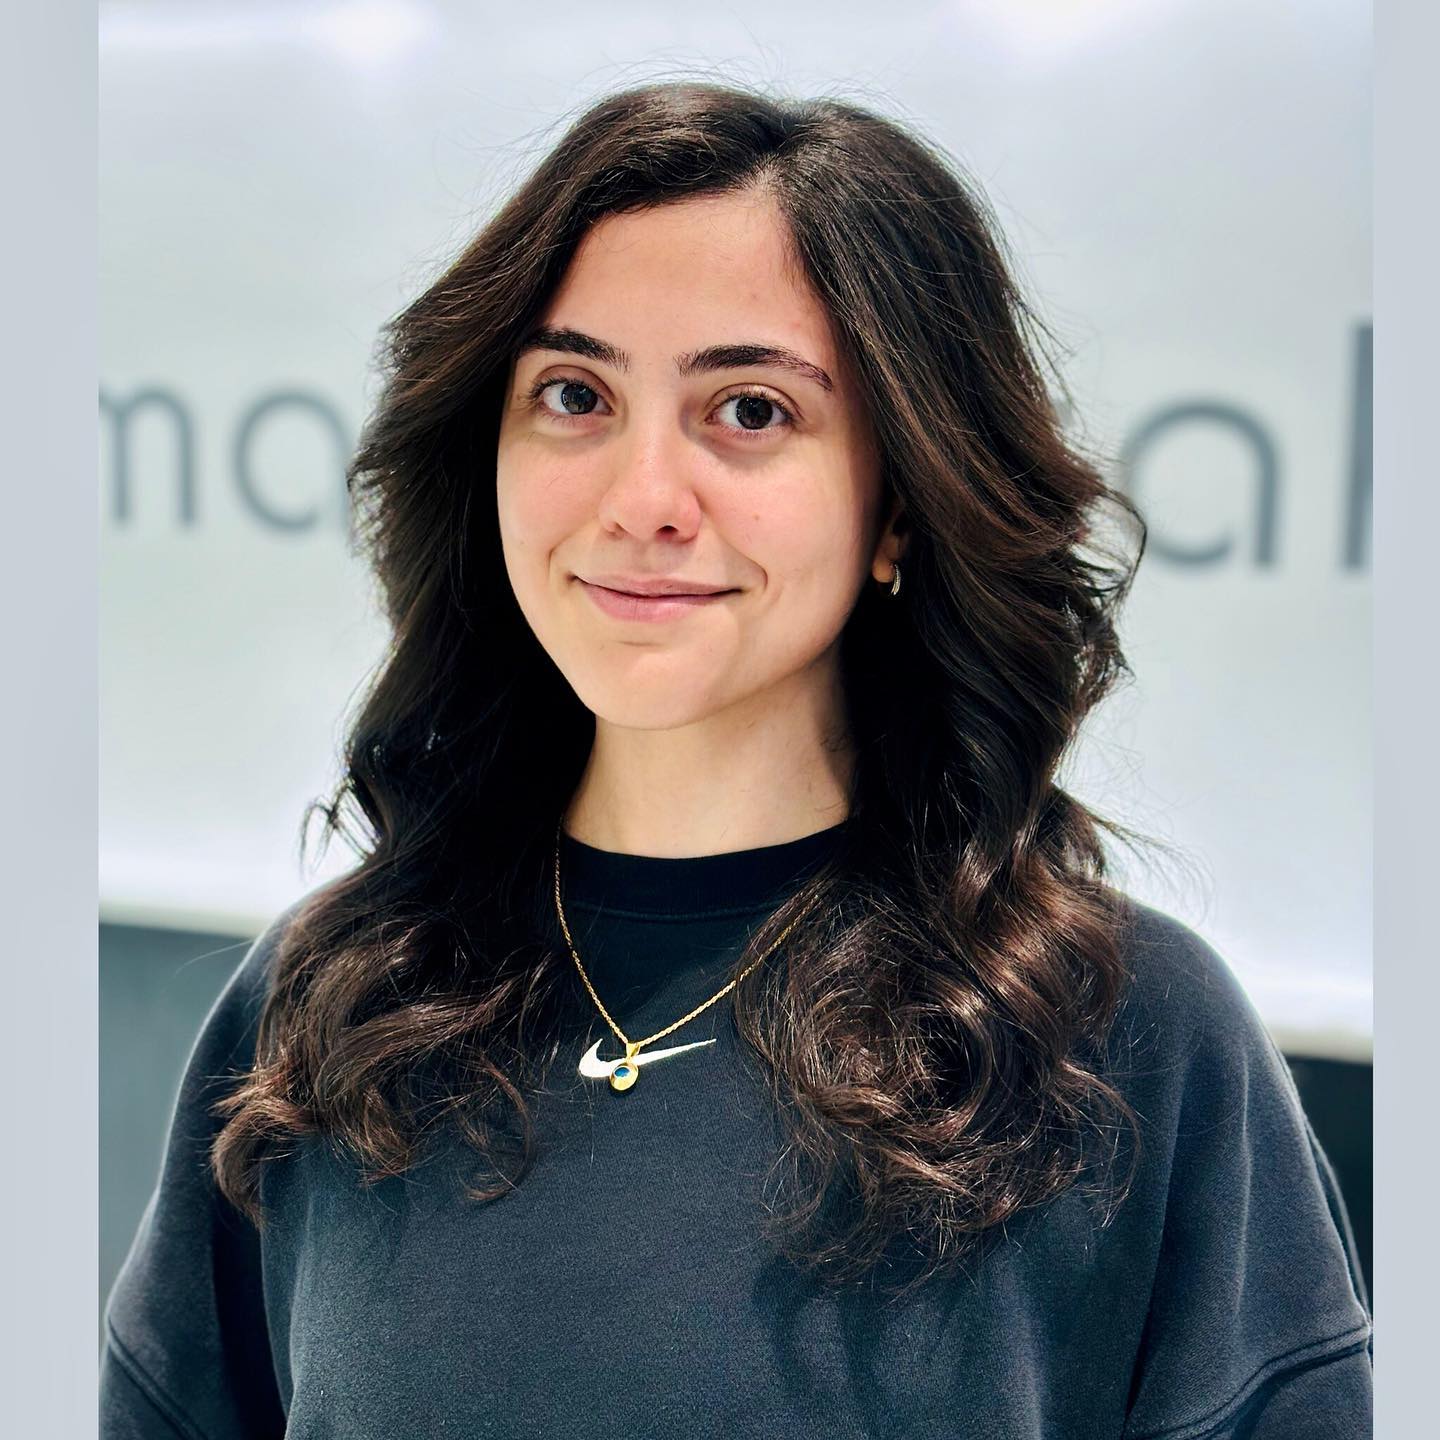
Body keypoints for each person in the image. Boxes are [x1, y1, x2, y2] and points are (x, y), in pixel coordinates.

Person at [100, 80, 1372, 1438]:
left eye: (751, 411)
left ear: (900, 502)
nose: (642, 499)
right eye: (574, 395)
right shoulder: (327, 1008)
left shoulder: (1125, 1044)